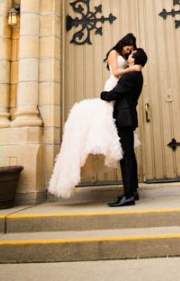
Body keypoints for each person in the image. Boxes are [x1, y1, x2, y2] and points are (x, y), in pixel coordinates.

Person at [47, 33, 141, 199]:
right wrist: (132, 68)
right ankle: (130, 191)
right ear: (124, 43)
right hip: (113, 85)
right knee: (103, 117)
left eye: (132, 50)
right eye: (128, 47)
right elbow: (116, 72)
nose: (129, 51)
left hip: (118, 93)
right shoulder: (114, 53)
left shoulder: (132, 72)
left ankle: (130, 192)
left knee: (121, 143)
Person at [100, 47, 148, 207]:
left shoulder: (131, 75)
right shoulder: (137, 75)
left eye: (131, 54)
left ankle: (128, 195)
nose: (129, 55)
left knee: (126, 156)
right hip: (128, 117)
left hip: (123, 118)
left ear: (135, 59)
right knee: (129, 155)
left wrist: (103, 95)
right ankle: (132, 191)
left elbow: (115, 93)